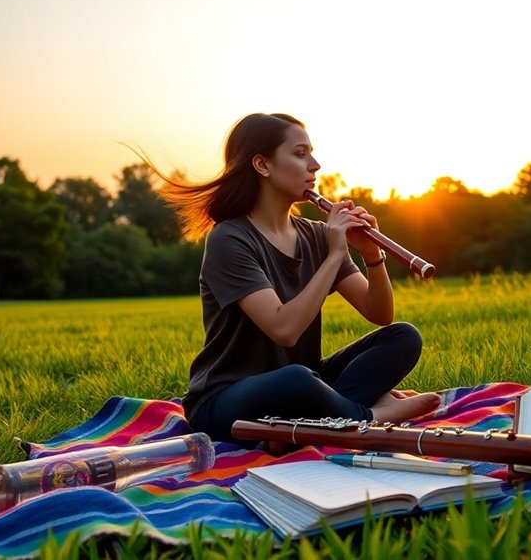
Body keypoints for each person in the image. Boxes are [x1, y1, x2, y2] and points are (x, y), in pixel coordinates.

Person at [157, 113, 441, 445]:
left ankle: (307, 423)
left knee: (403, 337)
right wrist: (334, 255)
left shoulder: (318, 235)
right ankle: (369, 416)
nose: (315, 165)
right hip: (224, 401)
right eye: (300, 153)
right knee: (297, 379)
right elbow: (284, 330)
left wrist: (370, 255)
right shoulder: (229, 239)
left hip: (306, 381)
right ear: (262, 165)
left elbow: (379, 314)